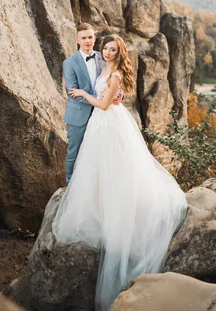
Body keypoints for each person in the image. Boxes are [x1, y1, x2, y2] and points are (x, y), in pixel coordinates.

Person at [53, 34, 187, 311]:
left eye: (113, 49)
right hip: (99, 124)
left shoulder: (115, 74)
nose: (108, 52)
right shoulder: (102, 68)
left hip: (109, 122)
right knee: (96, 167)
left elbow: (103, 104)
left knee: (116, 166)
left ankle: (118, 206)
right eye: (106, 48)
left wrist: (82, 94)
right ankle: (99, 201)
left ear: (119, 53)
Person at [62, 23, 122, 183]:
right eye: (84, 38)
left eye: (90, 37)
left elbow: (112, 80)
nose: (87, 41)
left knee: (96, 154)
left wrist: (119, 94)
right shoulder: (69, 63)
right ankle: (69, 186)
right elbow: (73, 92)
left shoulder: (104, 57)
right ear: (77, 40)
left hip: (101, 116)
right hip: (78, 114)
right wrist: (101, 100)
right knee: (74, 153)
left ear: (94, 38)